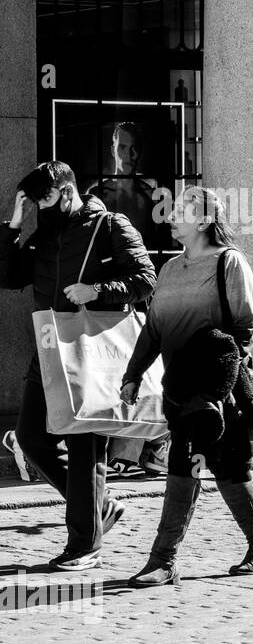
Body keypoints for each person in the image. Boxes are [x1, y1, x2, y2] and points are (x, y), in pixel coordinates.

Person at [0, 161, 156, 570]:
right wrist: (14, 225)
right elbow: (7, 275)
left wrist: (97, 290)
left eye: (46, 198)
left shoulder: (109, 225)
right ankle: (99, 505)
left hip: (91, 350)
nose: (41, 206)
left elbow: (146, 278)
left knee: (85, 447)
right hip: (50, 348)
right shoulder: (43, 233)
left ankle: (84, 546)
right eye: (34, 201)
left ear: (67, 192)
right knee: (31, 437)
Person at [120, 187, 253, 586]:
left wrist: (218, 387)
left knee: (190, 465)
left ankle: (164, 560)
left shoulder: (229, 262)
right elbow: (153, 330)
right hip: (178, 388)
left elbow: (245, 329)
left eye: (180, 211)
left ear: (204, 221)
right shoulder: (170, 269)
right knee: (226, 468)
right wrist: (133, 374)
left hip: (214, 393)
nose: (171, 216)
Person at [88, 122, 172, 479]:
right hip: (112, 303)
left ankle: (135, 450)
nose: (128, 155)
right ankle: (127, 451)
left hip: (149, 295)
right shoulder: (97, 194)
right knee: (123, 377)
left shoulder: (154, 193)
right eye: (121, 148)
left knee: (149, 377)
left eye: (133, 148)